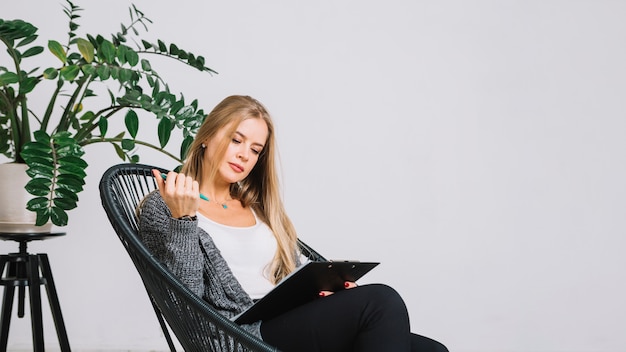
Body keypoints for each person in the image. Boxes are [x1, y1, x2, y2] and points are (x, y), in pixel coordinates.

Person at [138, 95, 448, 352]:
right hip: (239, 336)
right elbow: (182, 299)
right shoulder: (166, 204)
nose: (244, 155)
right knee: (381, 301)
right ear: (206, 136)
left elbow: (290, 273)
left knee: (431, 350)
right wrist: (184, 219)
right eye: (236, 140)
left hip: (284, 319)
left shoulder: (259, 208)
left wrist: (329, 291)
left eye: (255, 150)